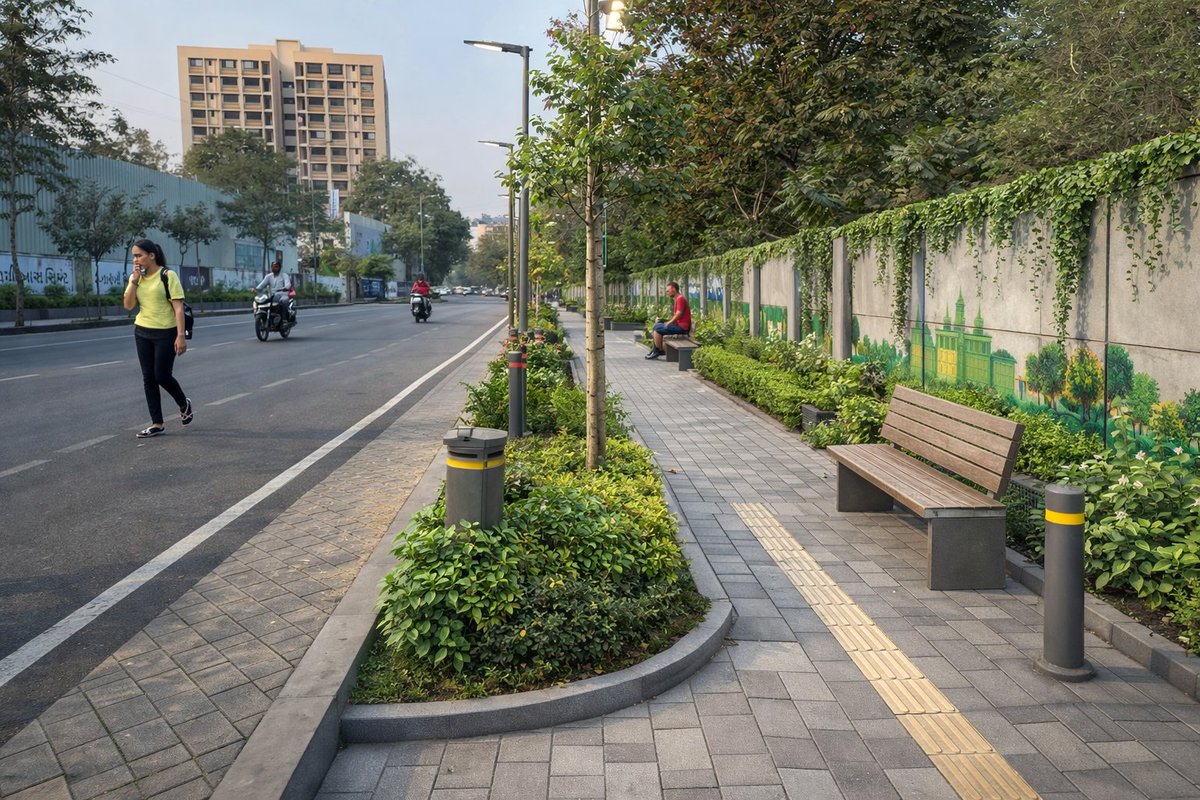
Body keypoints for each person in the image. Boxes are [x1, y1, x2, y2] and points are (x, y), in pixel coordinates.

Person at [122, 238, 193, 438]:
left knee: (161, 375)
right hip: (142, 331)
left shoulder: (168, 276)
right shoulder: (136, 278)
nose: (135, 259)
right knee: (148, 378)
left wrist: (180, 336)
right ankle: (157, 423)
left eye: (139, 255)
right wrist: (134, 280)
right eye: (134, 256)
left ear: (151, 255)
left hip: (166, 332)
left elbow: (178, 308)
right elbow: (128, 305)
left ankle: (183, 403)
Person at [646, 280, 692, 359]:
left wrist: (669, 322)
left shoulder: (680, 298)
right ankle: (656, 350)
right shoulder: (678, 298)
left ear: (673, 289)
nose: (667, 293)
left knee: (657, 328)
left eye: (668, 291)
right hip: (679, 325)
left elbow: (679, 314)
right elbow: (678, 316)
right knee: (657, 325)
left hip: (682, 327)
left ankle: (658, 351)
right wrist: (663, 320)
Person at [255, 258, 296, 324]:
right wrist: (255, 289)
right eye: (273, 267)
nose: (274, 268)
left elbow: (288, 284)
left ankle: (284, 320)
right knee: (261, 301)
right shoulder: (268, 276)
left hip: (282, 295)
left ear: (280, 268)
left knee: (283, 301)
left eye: (276, 267)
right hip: (272, 296)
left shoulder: (284, 275)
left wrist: (286, 287)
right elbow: (261, 285)